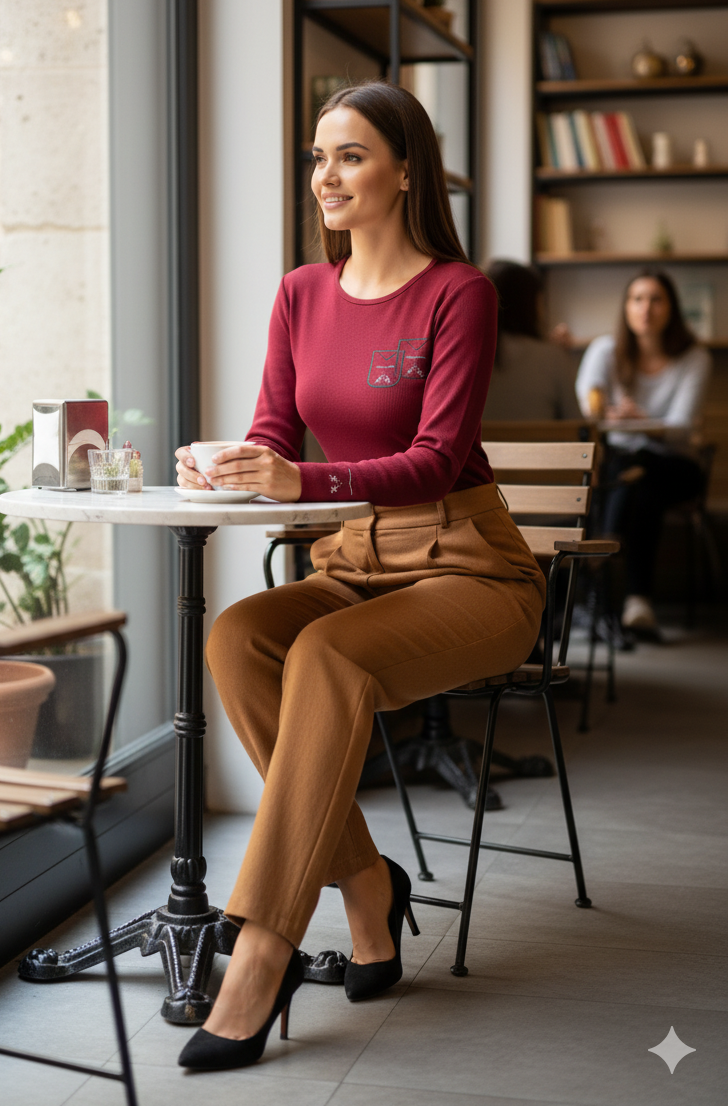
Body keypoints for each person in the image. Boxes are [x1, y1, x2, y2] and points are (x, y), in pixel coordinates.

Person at [174, 81, 545, 1071]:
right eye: (315, 156)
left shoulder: (459, 292)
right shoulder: (301, 291)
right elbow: (272, 434)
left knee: (328, 657)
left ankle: (261, 951)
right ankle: (367, 883)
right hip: (353, 560)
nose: (323, 178)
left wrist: (303, 474)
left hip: (472, 569)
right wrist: (230, 463)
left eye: (348, 157)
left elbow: (433, 458)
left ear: (405, 172)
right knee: (237, 638)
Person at [576, 270, 711, 634]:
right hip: (629, 471)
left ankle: (603, 556)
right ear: (625, 307)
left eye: (656, 299)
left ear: (672, 308)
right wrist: (614, 416)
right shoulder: (606, 350)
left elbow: (682, 427)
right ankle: (638, 601)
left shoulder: (693, 357)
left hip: (677, 466)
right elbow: (591, 409)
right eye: (637, 299)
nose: (645, 308)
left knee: (643, 465)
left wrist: (638, 419)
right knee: (640, 481)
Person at [482, 259, 582, 421]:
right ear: (531, 304)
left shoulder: (465, 355)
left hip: (483, 447)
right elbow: (576, 426)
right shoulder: (552, 358)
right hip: (538, 447)